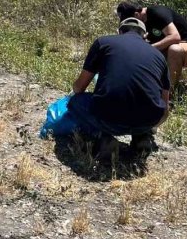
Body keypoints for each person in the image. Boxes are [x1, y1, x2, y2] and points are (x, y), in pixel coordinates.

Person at [68, 17, 171, 155]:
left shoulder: (103, 42)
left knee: (75, 102)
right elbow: (165, 107)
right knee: (141, 103)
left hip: (110, 119)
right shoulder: (160, 56)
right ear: (145, 36)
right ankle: (142, 136)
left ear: (119, 31)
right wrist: (149, 125)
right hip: (147, 120)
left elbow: (79, 87)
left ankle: (103, 138)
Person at [116, 1, 187, 88]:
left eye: (131, 21)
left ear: (136, 15)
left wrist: (149, 49)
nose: (131, 25)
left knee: (174, 49)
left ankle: (169, 93)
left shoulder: (157, 13)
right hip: (168, 50)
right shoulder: (141, 24)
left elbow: (175, 37)